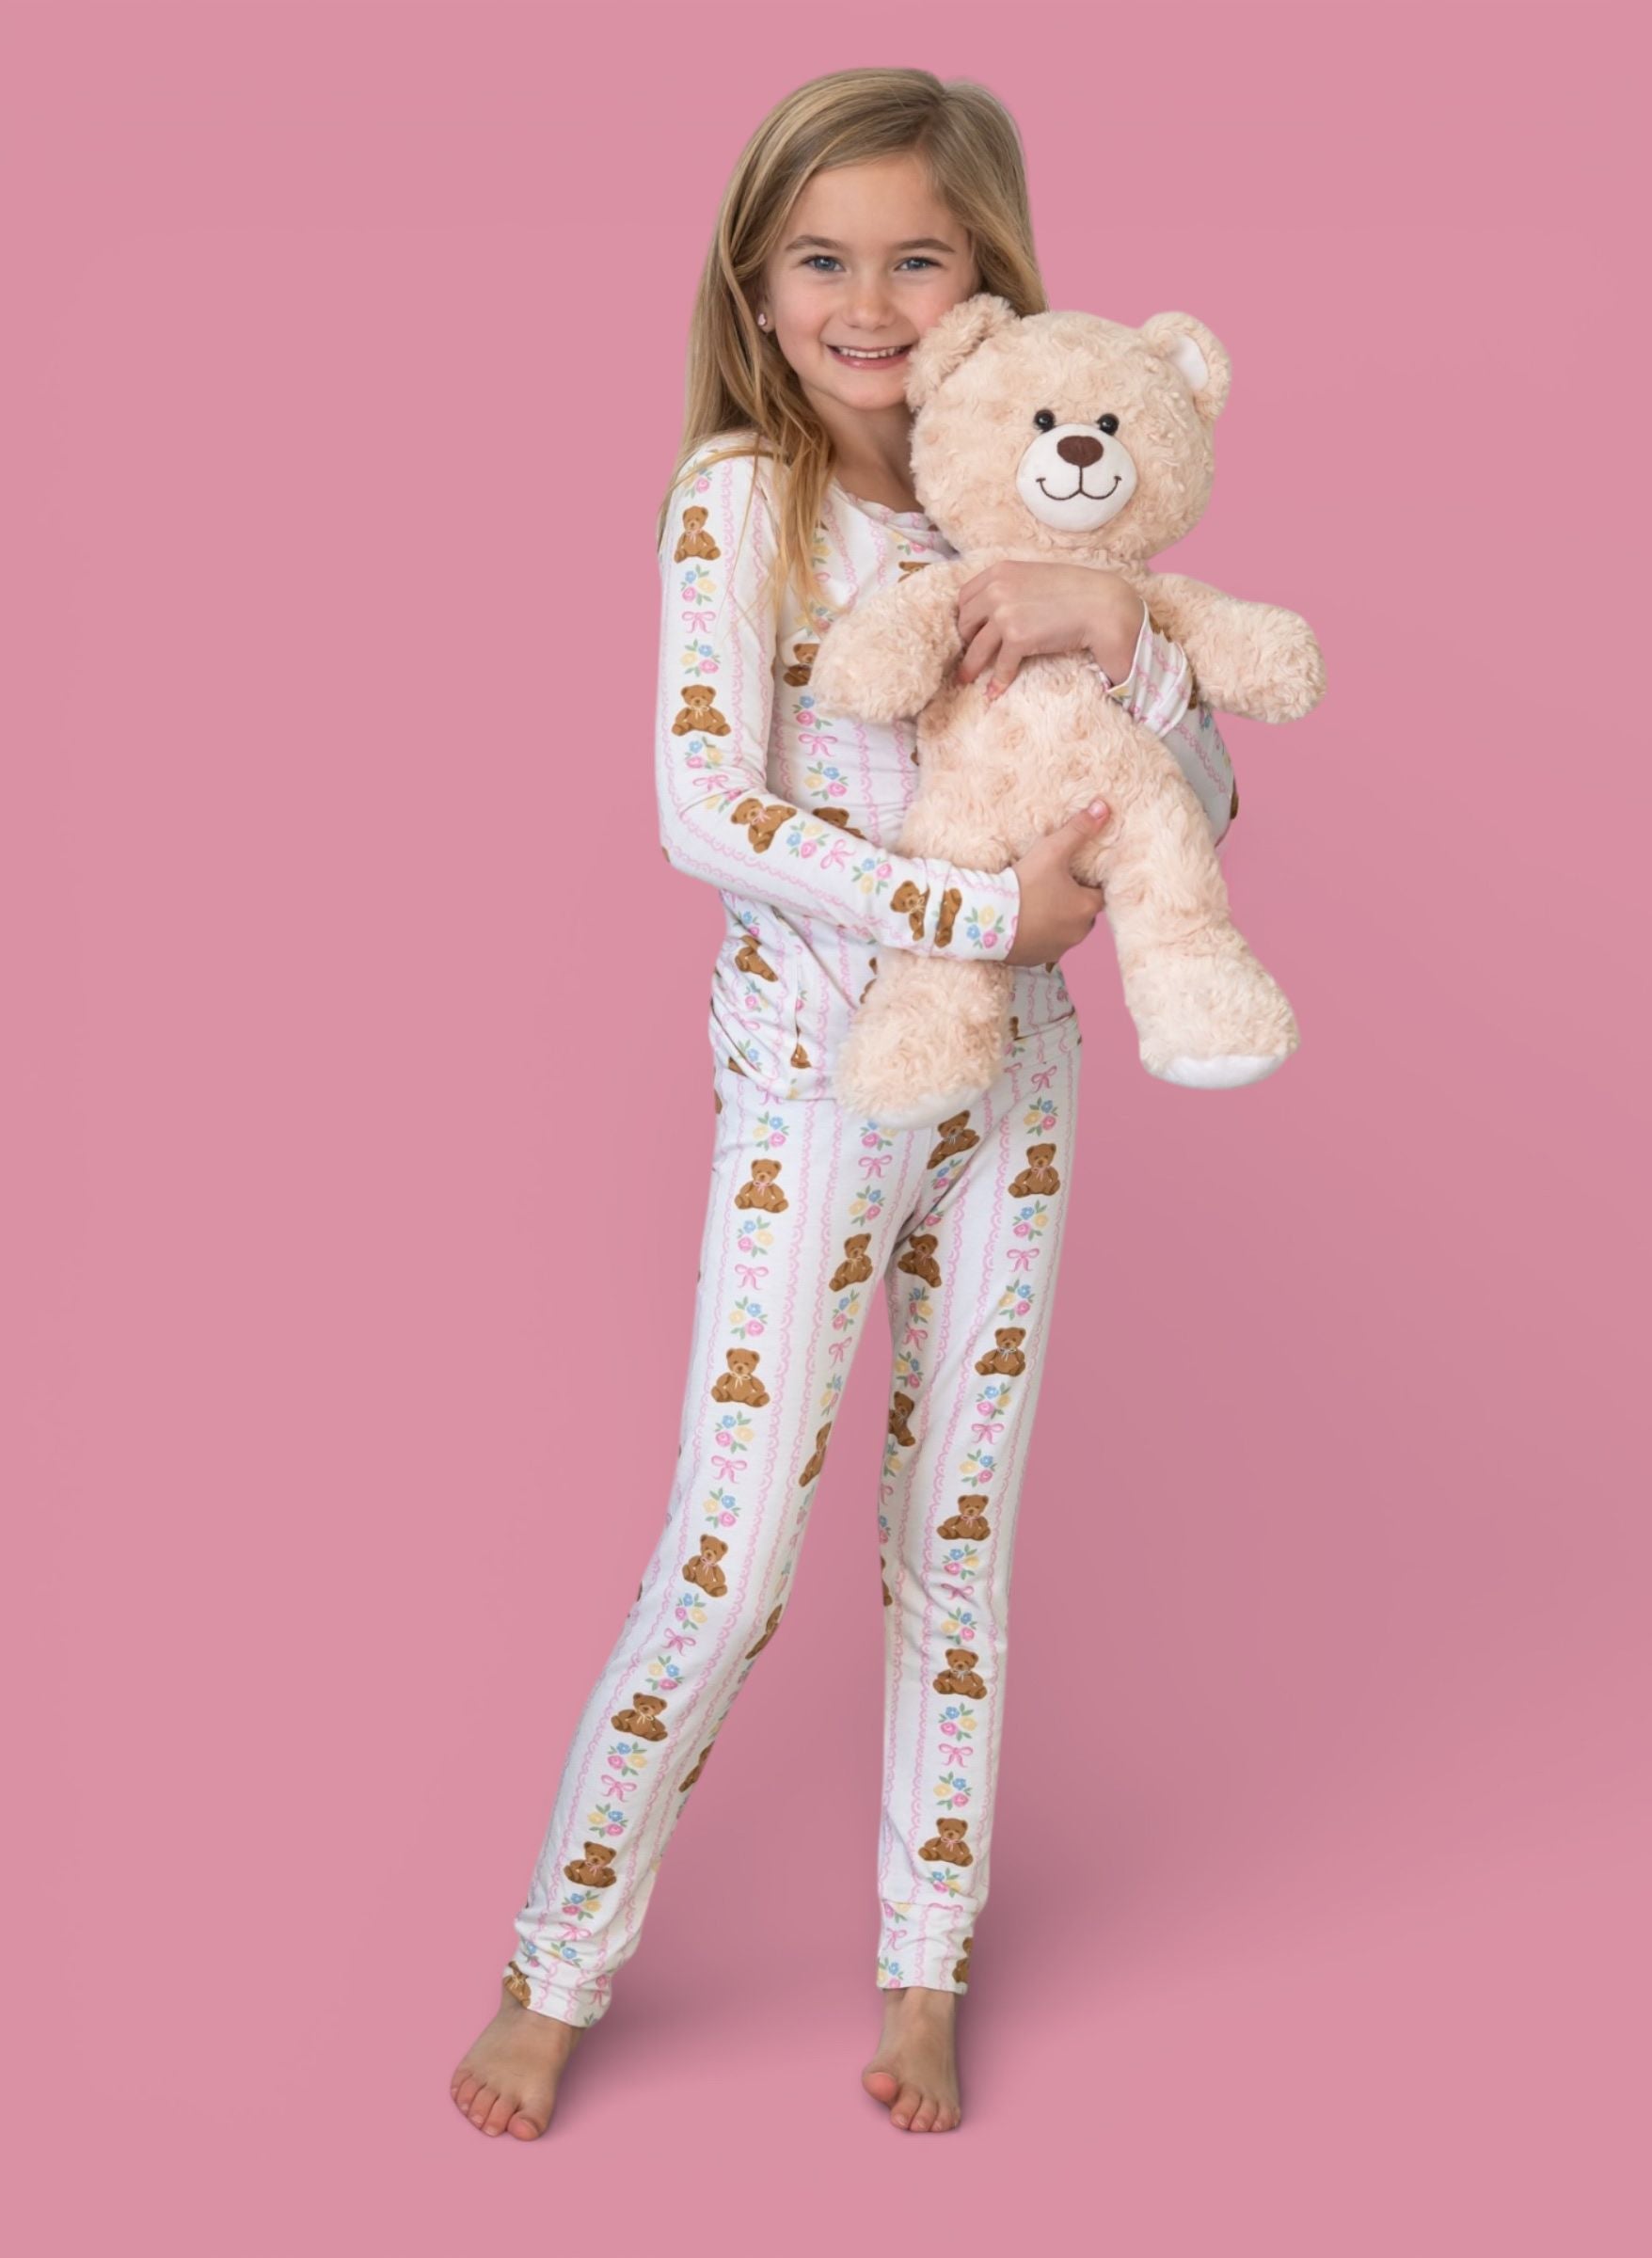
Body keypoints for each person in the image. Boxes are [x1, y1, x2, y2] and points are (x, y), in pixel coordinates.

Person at [450, 64, 1236, 2142]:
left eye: (918, 258)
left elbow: (1210, 798)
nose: (869, 303)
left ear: (993, 279)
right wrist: (982, 910)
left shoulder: (1053, 486)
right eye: (823, 259)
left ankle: (924, 1959)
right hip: (817, 1096)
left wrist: (1125, 631)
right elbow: (705, 808)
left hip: (1019, 1102)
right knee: (729, 1560)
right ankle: (556, 1960)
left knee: (955, 1549)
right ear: (757, 282)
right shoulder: (748, 501)